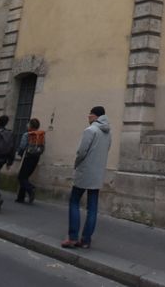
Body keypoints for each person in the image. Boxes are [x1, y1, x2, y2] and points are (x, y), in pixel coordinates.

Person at [62, 105, 111, 249]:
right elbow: (107, 149)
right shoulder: (108, 133)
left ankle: (72, 237)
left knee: (74, 202)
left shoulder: (90, 130)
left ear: (95, 116)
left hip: (85, 172)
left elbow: (81, 152)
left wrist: (76, 164)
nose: (88, 116)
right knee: (92, 208)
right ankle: (86, 240)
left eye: (89, 114)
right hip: (98, 173)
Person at [15, 118, 44, 204]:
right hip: (36, 157)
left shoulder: (27, 134)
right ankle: (20, 197)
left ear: (31, 125)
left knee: (21, 177)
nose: (27, 125)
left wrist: (19, 154)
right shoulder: (40, 134)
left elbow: (22, 146)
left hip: (28, 157)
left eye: (28, 124)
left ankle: (30, 189)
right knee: (25, 177)